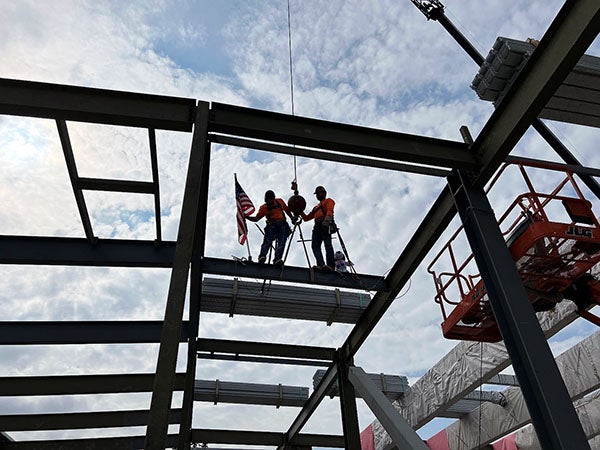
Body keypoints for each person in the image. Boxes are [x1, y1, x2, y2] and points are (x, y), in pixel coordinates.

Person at [246, 190, 293, 266]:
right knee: (267, 241)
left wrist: (292, 218)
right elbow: (256, 218)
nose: (269, 202)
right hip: (272, 225)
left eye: (271, 200)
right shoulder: (264, 208)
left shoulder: (279, 201)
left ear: (273, 198)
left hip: (283, 225)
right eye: (267, 200)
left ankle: (277, 260)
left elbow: (287, 210)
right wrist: (246, 217)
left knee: (281, 243)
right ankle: (262, 256)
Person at [301, 185, 336, 270]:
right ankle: (321, 265)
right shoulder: (316, 208)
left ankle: (330, 266)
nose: (317, 195)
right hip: (317, 226)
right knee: (315, 245)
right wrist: (299, 211)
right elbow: (306, 218)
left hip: (325, 223)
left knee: (328, 245)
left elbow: (329, 210)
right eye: (316, 194)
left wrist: (327, 220)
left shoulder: (328, 201)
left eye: (319, 193)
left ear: (324, 193)